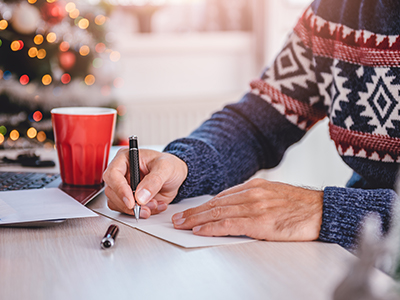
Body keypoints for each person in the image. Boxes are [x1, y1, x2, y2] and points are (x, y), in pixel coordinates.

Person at [103, 0, 400, 250]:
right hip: (360, 258)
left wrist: (328, 209)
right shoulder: (338, 9)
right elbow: (259, 121)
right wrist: (184, 164)